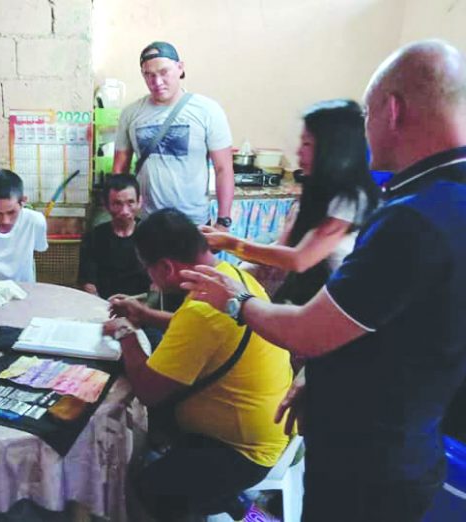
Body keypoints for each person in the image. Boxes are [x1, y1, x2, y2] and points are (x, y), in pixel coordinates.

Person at [180, 39, 466, 522]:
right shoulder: (439, 198)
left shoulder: (418, 216)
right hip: (402, 440)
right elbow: (398, 324)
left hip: (369, 460)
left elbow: (308, 329)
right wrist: (323, 378)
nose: (367, 132)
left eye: (369, 115)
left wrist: (235, 299)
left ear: (392, 110)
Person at [104, 208, 292, 521]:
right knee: (151, 335)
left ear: (165, 268)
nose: (148, 277)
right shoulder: (233, 279)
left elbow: (149, 391)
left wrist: (124, 333)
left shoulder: (201, 312)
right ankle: (229, 500)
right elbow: (195, 328)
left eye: (147, 269)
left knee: (149, 488)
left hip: (242, 452)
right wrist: (145, 314)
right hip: (271, 427)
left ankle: (228, 504)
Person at [202, 99, 380, 305]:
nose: (298, 152)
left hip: (347, 304)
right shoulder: (317, 192)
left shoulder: (352, 200)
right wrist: (224, 244)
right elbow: (281, 254)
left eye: (307, 144)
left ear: (334, 148)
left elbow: (298, 260)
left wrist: (230, 243)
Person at [112, 41, 235, 229]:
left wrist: (223, 220)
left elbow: (223, 169)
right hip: (147, 221)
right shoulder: (131, 114)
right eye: (149, 75)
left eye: (164, 72)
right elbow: (120, 169)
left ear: (180, 68)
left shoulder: (208, 110)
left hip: (193, 223)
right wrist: (120, 213)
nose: (157, 82)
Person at [77, 173, 151, 299]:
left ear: (139, 201)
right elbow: (88, 283)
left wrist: (144, 309)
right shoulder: (94, 237)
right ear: (106, 205)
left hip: (143, 307)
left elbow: (158, 285)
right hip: (105, 306)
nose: (125, 211)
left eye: (130, 203)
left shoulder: (151, 236)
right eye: (117, 204)